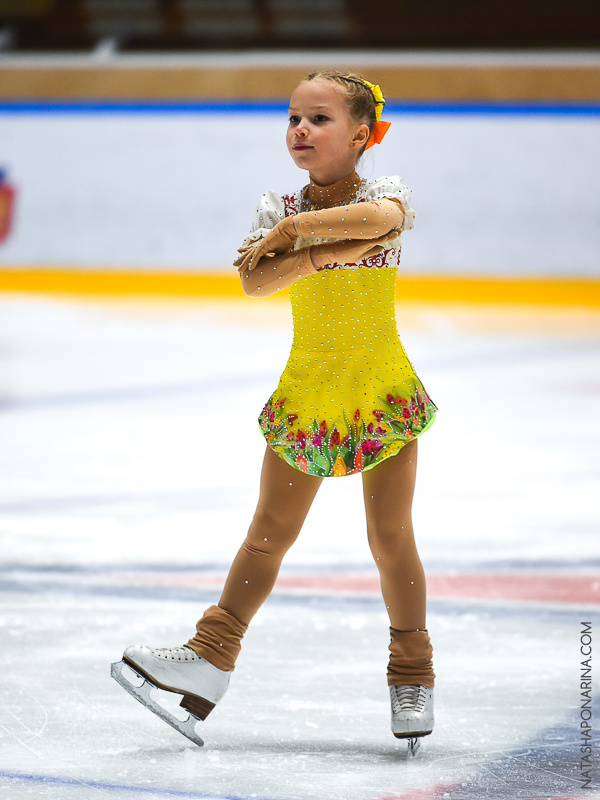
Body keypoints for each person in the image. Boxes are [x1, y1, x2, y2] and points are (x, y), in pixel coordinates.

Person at [113, 70, 438, 748]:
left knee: (389, 540)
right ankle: (208, 661)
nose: (299, 131)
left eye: (318, 120)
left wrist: (298, 234)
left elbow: (383, 223)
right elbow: (256, 281)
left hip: (379, 395)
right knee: (267, 533)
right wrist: (326, 253)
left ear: (360, 134)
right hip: (308, 399)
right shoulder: (276, 202)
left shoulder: (383, 192)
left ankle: (412, 676)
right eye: (292, 118)